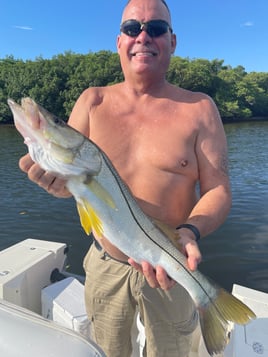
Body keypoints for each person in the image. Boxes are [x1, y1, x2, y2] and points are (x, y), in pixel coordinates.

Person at [19, 0, 231, 356]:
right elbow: (75, 180)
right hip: (105, 266)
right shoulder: (92, 102)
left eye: (156, 29)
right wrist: (56, 183)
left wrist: (191, 230)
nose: (143, 37)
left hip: (173, 267)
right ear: (119, 41)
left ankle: (208, 303)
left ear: (173, 41)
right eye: (132, 28)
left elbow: (219, 190)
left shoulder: (200, 109)